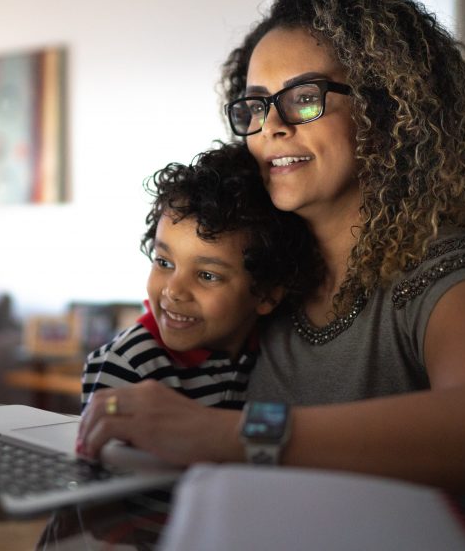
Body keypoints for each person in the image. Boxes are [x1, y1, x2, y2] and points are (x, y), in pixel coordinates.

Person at [76, 0, 465, 537]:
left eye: (305, 98)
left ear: (387, 110)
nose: (270, 125)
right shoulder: (267, 275)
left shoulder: (446, 274)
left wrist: (231, 436)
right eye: (254, 105)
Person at [78, 141, 316, 425]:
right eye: (164, 262)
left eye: (207, 275)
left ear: (266, 295)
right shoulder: (130, 365)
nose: (173, 291)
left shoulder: (270, 349)